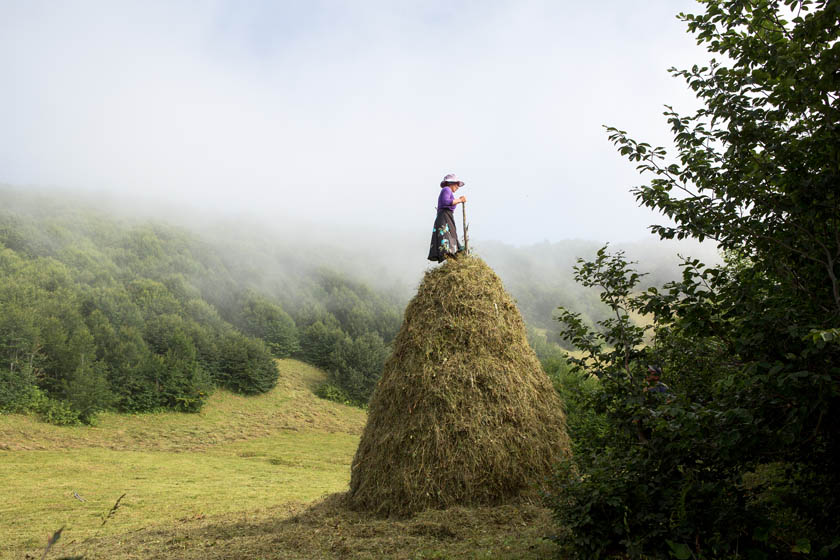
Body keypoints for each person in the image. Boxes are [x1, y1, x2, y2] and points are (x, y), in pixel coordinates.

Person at [428, 173, 467, 262]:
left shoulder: (448, 191)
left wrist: (458, 200)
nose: (457, 187)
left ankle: (455, 255)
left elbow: (450, 202)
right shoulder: (446, 189)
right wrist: (460, 200)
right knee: (447, 236)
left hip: (447, 216)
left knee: (452, 235)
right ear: (451, 183)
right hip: (444, 217)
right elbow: (446, 202)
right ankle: (451, 255)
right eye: (456, 184)